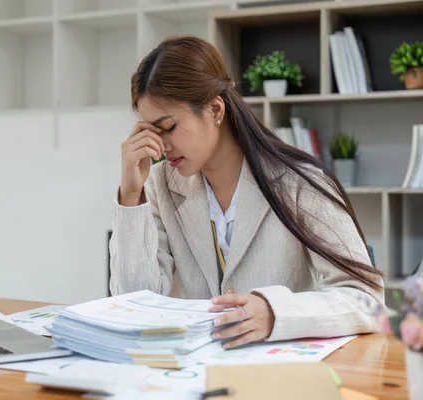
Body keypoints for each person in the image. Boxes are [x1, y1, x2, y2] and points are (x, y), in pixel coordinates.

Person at [108, 36, 384, 349]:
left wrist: (275, 313)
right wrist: (131, 194)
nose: (161, 146)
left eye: (168, 127)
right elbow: (134, 303)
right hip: (201, 375)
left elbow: (367, 299)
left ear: (214, 110)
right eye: (151, 131)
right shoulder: (160, 184)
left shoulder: (300, 182)